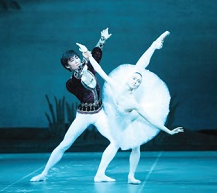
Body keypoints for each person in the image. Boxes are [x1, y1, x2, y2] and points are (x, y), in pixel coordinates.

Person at [77, 31, 184, 184]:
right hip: (121, 121)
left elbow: (150, 118)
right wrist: (88, 55)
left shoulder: (134, 102)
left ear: (138, 86)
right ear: (128, 79)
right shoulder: (116, 85)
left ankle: (131, 176)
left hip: (134, 115)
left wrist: (169, 131)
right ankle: (100, 174)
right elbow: (99, 71)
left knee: (136, 145)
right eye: (134, 78)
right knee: (115, 143)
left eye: (138, 82)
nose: (135, 81)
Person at [30, 28, 119, 183]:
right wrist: (86, 58)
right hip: (84, 116)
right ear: (67, 66)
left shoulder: (89, 66)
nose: (76, 60)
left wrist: (102, 39)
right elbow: (79, 77)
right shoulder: (71, 83)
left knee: (116, 141)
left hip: (99, 113)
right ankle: (44, 173)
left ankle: (100, 174)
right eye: (72, 60)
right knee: (64, 144)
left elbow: (96, 54)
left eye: (76, 58)